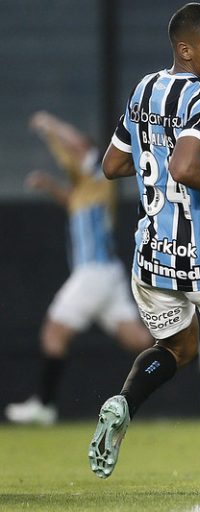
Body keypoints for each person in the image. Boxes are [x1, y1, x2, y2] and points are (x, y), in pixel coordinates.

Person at [87, 3, 200, 481]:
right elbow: (185, 166)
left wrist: (157, 148)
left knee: (177, 350)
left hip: (153, 257)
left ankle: (124, 401)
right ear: (186, 50)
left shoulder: (145, 88)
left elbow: (111, 165)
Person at [4, 111, 153, 426]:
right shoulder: (85, 189)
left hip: (94, 272)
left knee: (53, 332)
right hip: (106, 273)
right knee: (138, 341)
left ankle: (44, 404)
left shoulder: (98, 169)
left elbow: (81, 145)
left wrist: (50, 124)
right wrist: (49, 187)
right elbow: (73, 202)